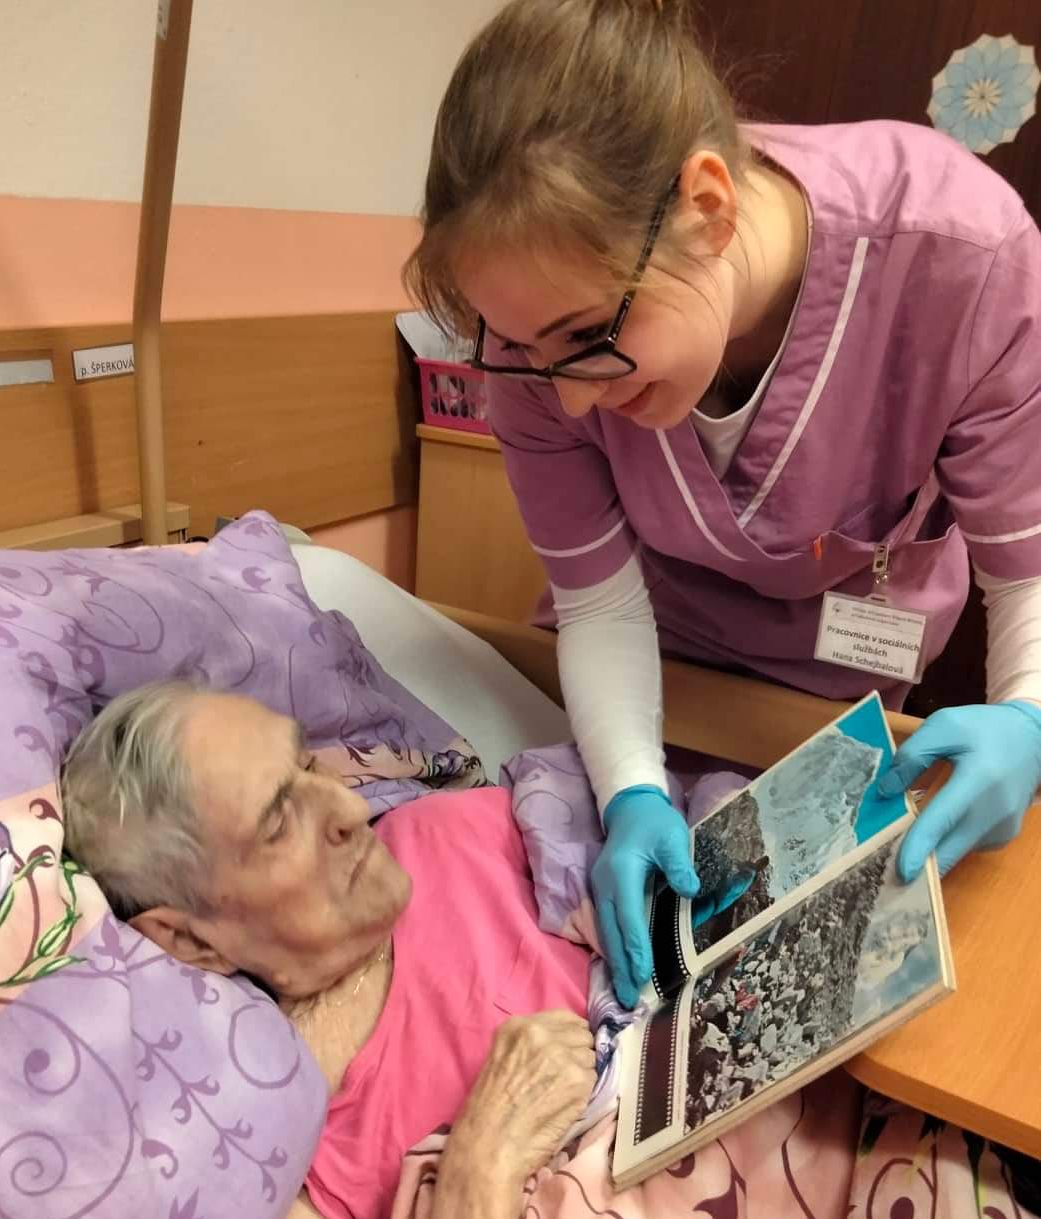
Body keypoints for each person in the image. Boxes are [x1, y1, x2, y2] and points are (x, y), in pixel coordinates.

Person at [61, 680, 1041, 1219]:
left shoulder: (463, 826)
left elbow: (716, 880)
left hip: (893, 1108)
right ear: (188, 938)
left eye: (308, 764)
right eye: (282, 818)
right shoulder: (284, 1148)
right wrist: (482, 1169)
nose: (349, 808)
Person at [403, 0, 1041, 1008]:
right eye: (524, 349)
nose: (571, 399)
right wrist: (629, 789)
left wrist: (1029, 714)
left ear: (707, 207)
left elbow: (1028, 567)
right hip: (639, 663)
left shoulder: (960, 255)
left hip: (830, 681)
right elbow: (600, 601)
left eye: (587, 338)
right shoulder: (531, 350)